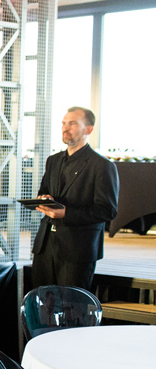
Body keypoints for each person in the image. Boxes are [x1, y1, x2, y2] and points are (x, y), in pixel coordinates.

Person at [31, 107, 118, 291]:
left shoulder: (102, 166)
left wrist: (66, 213)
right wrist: (45, 198)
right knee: (41, 301)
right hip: (45, 246)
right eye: (64, 123)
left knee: (71, 304)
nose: (65, 128)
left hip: (77, 249)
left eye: (72, 123)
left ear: (88, 130)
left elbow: (107, 210)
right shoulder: (53, 160)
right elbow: (44, 190)